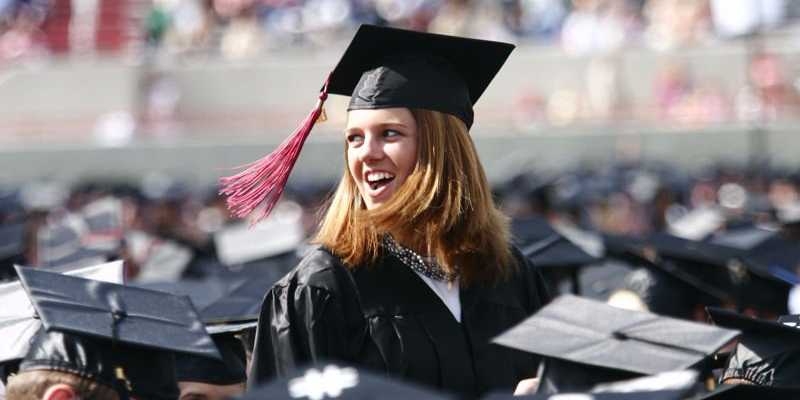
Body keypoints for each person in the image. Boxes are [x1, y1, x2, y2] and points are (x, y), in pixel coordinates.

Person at [221, 24, 552, 398]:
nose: (366, 153)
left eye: (389, 134)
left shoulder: (509, 275)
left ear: (442, 149)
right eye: (355, 138)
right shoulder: (321, 291)